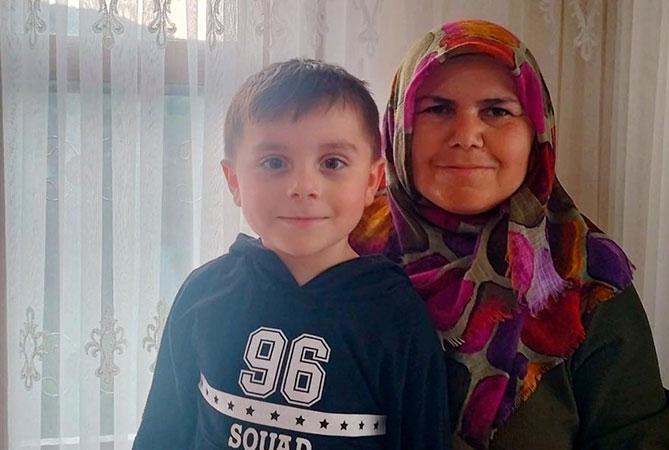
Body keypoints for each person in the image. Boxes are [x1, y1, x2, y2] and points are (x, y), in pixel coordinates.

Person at [351, 20, 669, 449]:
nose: (466, 136)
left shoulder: (584, 278)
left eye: (497, 111)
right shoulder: (340, 250)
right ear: (399, 127)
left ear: (536, 133)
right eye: (438, 109)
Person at [134, 59, 451, 450]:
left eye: (332, 163)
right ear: (234, 181)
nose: (303, 186)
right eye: (274, 162)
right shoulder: (204, 292)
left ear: (372, 181)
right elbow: (162, 433)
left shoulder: (399, 318)